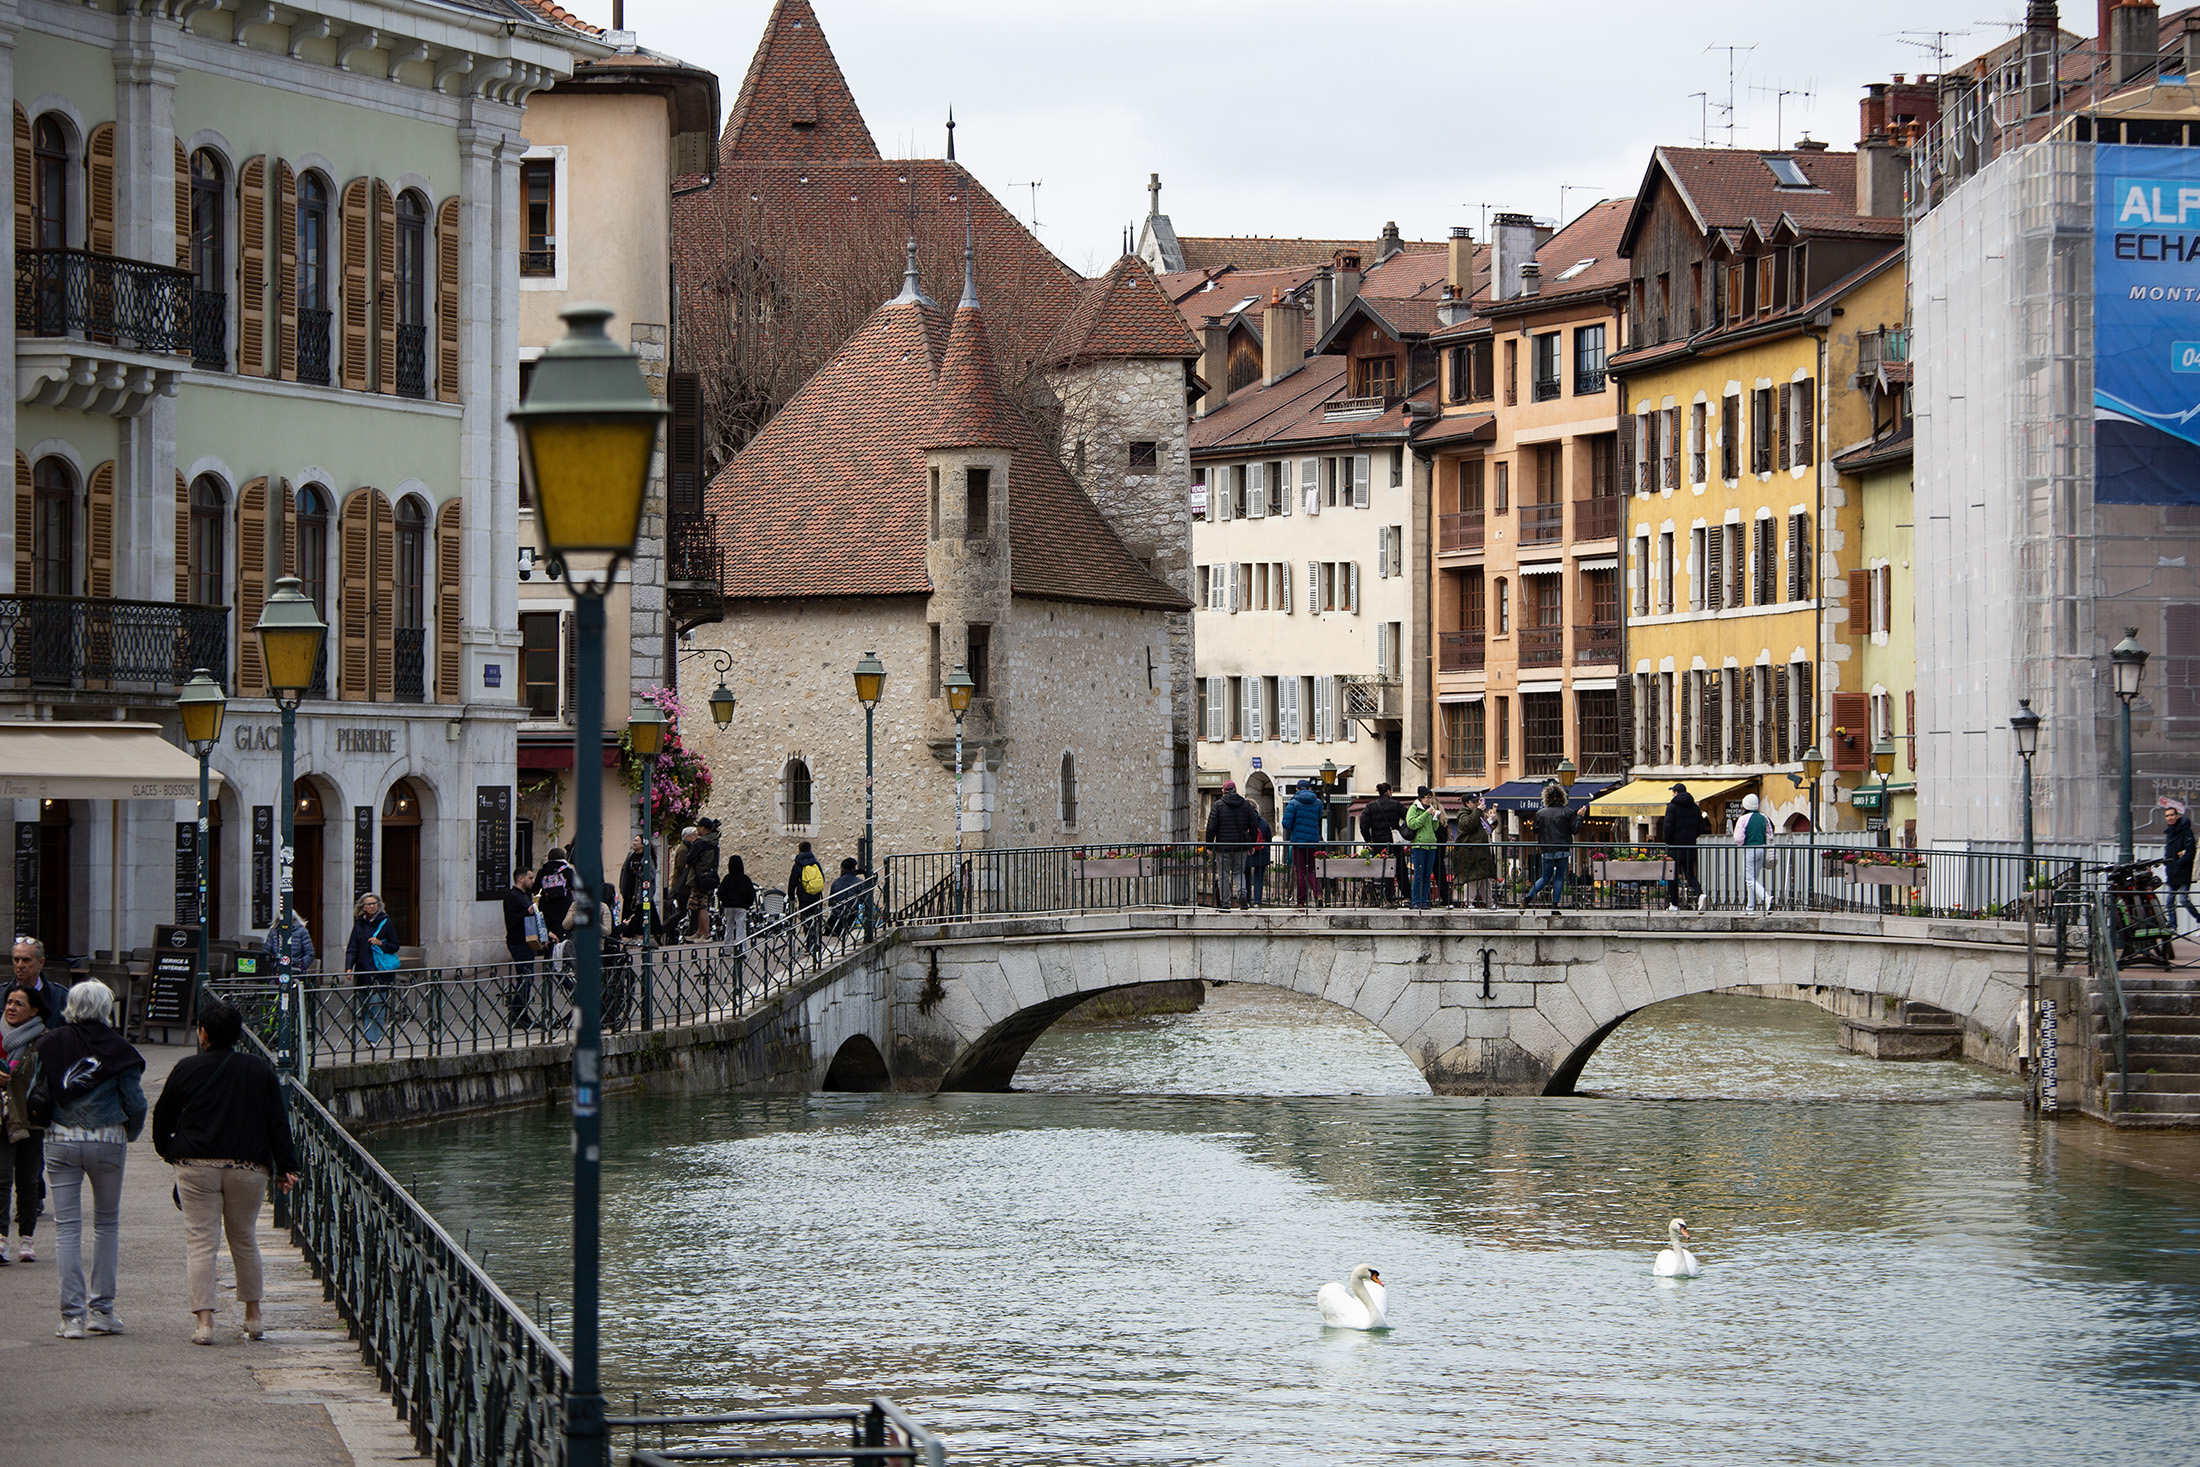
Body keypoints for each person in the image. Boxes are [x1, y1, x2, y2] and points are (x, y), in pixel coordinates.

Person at [151, 996, 298, 1346]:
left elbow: (162, 1117)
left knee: (201, 1242)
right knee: (244, 1238)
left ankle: (204, 1323)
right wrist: (287, 1167)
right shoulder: (258, 1069)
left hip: (196, 1165)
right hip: (248, 1166)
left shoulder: (186, 1068)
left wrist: (169, 1152)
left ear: (203, 1033)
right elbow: (277, 1121)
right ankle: (254, 1316)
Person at [36, 980, 145, 1339]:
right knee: (106, 1225)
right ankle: (102, 1311)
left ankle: (71, 1318)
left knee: (67, 1227)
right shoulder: (120, 1049)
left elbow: (40, 1091)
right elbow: (135, 1103)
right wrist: (129, 1133)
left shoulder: (50, 1042)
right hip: (107, 1139)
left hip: (60, 1139)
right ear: (106, 1009)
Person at [1, 984, 46, 1263]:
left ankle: (27, 1238)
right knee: (2, 1178)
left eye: (18, 1003)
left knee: (28, 1180)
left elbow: (49, 1079)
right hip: (3, 1117)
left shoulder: (43, 1040)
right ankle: (1, 1238)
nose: (11, 1008)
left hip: (30, 1118)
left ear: (33, 1010)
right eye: (9, 1002)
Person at [343, 892, 401, 1045]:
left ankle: (373, 1038)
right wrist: (349, 967)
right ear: (363, 907)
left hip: (380, 971)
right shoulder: (359, 924)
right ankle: (369, 1034)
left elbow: (395, 946)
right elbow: (352, 947)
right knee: (365, 1005)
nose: (372, 906)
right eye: (369, 904)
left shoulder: (385, 922)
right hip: (363, 970)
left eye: (374, 903)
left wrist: (381, 943)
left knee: (376, 1005)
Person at [1203, 780, 1260, 910]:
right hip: (1240, 846)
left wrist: (1209, 845)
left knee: (1223, 875)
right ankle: (1242, 895)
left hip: (1223, 846)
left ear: (1223, 791)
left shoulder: (1218, 805)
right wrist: (1251, 843)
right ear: (1235, 790)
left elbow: (1211, 827)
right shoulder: (1245, 805)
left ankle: (1226, 903)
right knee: (1239, 872)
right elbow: (1254, 825)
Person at [1523, 783, 1579, 911]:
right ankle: (1555, 905)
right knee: (1559, 877)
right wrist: (1580, 817)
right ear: (1562, 797)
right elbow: (1575, 830)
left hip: (1547, 848)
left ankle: (1528, 898)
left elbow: (1535, 830)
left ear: (1546, 798)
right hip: (1563, 849)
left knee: (1545, 877)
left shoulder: (1541, 813)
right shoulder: (1568, 812)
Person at [502, 866, 542, 1028]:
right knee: (525, 978)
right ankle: (517, 1014)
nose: (532, 881)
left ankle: (521, 1014)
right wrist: (528, 911)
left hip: (527, 942)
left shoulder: (524, 895)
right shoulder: (512, 896)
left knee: (526, 979)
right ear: (520, 879)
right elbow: (511, 920)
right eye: (530, 878)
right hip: (518, 942)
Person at [1359, 784, 1409, 906]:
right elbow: (1408, 818)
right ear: (1388, 791)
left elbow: (1363, 824)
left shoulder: (1371, 806)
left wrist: (1369, 840)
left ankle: (1388, 898)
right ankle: (1407, 896)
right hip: (1394, 842)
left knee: (1385, 870)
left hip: (1379, 842)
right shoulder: (1396, 804)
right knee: (1400, 869)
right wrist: (1402, 830)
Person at [1279, 780, 1326, 909]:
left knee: (1300, 871)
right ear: (1309, 789)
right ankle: (1318, 894)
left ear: (1296, 789)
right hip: (1313, 841)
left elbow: (1286, 823)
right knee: (1311, 870)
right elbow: (1319, 816)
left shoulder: (1293, 803)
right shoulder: (1317, 802)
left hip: (1298, 842)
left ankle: (1301, 900)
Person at [1663, 784, 1708, 913]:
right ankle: (1700, 894)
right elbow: (1701, 827)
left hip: (1674, 847)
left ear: (1676, 793)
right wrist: (1691, 837)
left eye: (1673, 792)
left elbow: (1668, 827)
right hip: (1689, 846)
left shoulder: (1672, 807)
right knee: (1690, 875)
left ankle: (1674, 904)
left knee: (1672, 876)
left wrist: (1667, 840)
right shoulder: (1695, 808)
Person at [11, 939, 68, 1029]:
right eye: (16, 960)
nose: (19, 965)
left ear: (41, 962)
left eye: (26, 960)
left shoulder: (61, 997)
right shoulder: (2, 994)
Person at [1452, 797, 1497, 909]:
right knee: (1472, 878)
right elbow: (1468, 825)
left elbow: (1488, 829)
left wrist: (1493, 820)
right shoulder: (1463, 814)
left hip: (1482, 850)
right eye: (1474, 802)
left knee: (1485, 878)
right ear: (1467, 803)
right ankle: (1468, 903)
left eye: (1478, 801)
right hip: (1471, 851)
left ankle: (1489, 903)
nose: (1477, 804)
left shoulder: (1479, 815)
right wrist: (1478, 811)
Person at [1733, 793, 1774, 915]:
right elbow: (1770, 833)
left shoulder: (1743, 819)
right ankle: (1750, 907)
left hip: (1750, 848)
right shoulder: (1764, 817)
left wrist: (1741, 844)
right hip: (1762, 848)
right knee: (1754, 879)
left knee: (1749, 879)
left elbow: (1738, 838)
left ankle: (1766, 897)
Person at [1404, 787, 1441, 910]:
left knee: (1427, 875)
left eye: (1430, 797)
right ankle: (1416, 901)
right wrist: (1426, 814)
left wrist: (1435, 818)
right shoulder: (1414, 808)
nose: (1429, 800)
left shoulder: (1430, 809)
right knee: (1418, 874)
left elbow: (1434, 828)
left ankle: (1424, 900)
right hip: (1419, 845)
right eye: (1427, 797)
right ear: (1421, 798)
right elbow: (1412, 824)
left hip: (1431, 845)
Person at [618, 835, 660, 942]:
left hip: (640, 893)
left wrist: (639, 872)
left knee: (640, 916)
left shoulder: (646, 859)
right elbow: (624, 871)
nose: (634, 842)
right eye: (634, 840)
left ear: (642, 844)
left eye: (637, 841)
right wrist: (622, 887)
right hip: (629, 891)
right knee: (628, 915)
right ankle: (628, 938)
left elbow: (651, 876)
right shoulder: (630, 855)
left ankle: (640, 938)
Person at [686, 820, 723, 941]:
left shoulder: (701, 843)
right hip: (710, 876)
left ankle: (706, 934)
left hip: (699, 877)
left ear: (703, 828)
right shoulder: (714, 842)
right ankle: (700, 931)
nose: (697, 830)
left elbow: (689, 858)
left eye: (698, 827)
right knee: (701, 905)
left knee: (701, 906)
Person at [2167, 802, 2200, 935]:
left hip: (2183, 871)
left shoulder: (2186, 831)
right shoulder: (2169, 832)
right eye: (2167, 816)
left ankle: (2199, 919)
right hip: (2173, 871)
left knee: (2182, 899)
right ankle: (2172, 926)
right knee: (2169, 901)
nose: (2169, 818)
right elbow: (2169, 852)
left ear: (2177, 816)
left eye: (2172, 815)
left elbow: (2190, 850)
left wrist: (2179, 861)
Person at [788, 841, 827, 947]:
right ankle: (816, 942)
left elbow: (792, 882)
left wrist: (791, 897)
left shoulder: (797, 866)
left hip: (803, 897)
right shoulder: (816, 864)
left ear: (799, 850)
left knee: (806, 919)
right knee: (816, 918)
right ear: (810, 849)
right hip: (816, 896)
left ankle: (809, 943)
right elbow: (822, 878)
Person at [535, 847, 577, 942]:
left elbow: (535, 888)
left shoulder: (543, 871)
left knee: (548, 934)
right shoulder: (567, 870)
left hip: (546, 907)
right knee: (562, 934)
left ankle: (549, 947)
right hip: (564, 907)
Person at [717, 855, 757, 954]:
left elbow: (720, 893)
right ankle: (741, 949)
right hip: (741, 906)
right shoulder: (745, 879)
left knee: (729, 927)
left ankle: (727, 949)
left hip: (728, 906)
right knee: (741, 927)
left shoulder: (727, 879)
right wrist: (747, 904)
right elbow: (751, 894)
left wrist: (724, 902)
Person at [264, 910, 315, 978]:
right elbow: (266, 953)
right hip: (277, 971)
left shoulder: (302, 932)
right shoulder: (274, 932)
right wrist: (272, 966)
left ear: (293, 919)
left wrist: (301, 966)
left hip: (296, 970)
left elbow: (309, 953)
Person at [668, 827, 699, 938]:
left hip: (685, 886)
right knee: (682, 912)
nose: (696, 837)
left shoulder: (688, 848)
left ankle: (692, 931)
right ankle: (663, 928)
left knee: (690, 910)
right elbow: (683, 868)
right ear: (687, 837)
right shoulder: (683, 850)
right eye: (694, 835)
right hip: (682, 887)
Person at [827, 857, 866, 936]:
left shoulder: (836, 882)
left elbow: (830, 902)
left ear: (842, 869)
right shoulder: (860, 883)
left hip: (837, 918)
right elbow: (864, 901)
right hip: (853, 918)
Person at [1247, 808, 1273, 907]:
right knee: (1258, 878)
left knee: (1246, 877)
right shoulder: (1263, 822)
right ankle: (1257, 902)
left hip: (1247, 851)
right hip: (1262, 852)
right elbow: (1268, 838)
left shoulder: (1244, 821)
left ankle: (1247, 901)